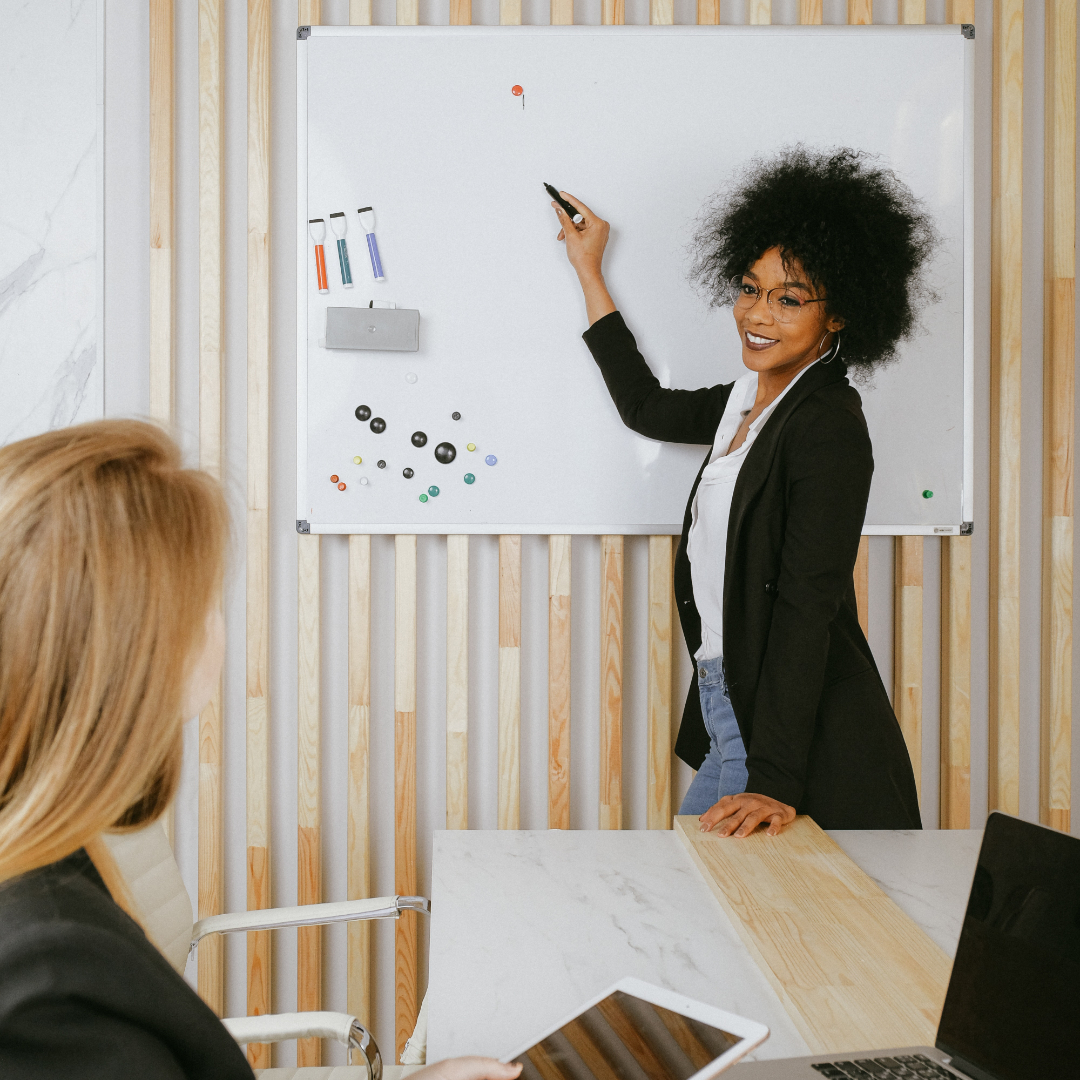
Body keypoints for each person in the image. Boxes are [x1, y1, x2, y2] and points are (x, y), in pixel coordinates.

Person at [0, 420, 522, 1080]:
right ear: (139, 652)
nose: (221, 629)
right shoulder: (44, 985)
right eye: (208, 602)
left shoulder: (54, 856)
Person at [552, 147, 937, 835]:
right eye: (750, 288)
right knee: (709, 906)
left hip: (778, 728)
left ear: (839, 316)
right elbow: (644, 407)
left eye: (789, 299)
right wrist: (589, 269)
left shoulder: (826, 428)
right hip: (727, 704)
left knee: (701, 903)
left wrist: (775, 780)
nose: (757, 314)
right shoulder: (744, 402)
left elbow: (805, 604)